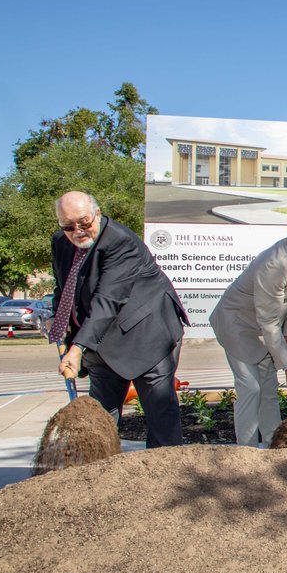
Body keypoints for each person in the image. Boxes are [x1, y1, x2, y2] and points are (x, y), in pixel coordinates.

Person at [50, 191, 189, 447]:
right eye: (68, 226)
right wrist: (57, 323)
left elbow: (108, 299)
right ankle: (100, 472)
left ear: (98, 214)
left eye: (84, 222)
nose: (77, 231)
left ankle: (165, 476)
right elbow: (64, 288)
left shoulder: (120, 241)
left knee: (160, 412)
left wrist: (78, 348)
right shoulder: (60, 242)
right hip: (100, 341)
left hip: (147, 335)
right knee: (100, 416)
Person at [210, 208, 287, 447]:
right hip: (238, 325)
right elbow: (269, 323)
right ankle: (247, 455)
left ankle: (277, 450)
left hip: (265, 329)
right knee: (251, 389)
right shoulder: (275, 263)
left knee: (269, 391)